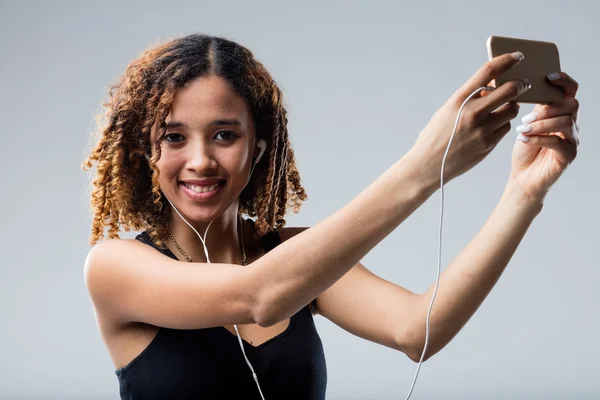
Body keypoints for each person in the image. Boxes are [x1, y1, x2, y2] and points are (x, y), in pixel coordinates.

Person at [82, 33, 580, 399]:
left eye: (224, 134)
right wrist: (425, 167)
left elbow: (417, 329)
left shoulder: (296, 259)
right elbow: (258, 296)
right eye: (173, 137)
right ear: (147, 152)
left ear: (258, 149)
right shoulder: (116, 267)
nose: (200, 160)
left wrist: (524, 191)